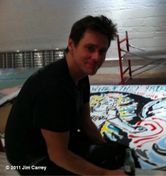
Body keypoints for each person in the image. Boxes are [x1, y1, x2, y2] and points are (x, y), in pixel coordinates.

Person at [5, 15, 128, 175]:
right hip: (30, 160)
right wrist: (106, 175)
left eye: (102, 51)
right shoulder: (53, 88)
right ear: (71, 45)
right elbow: (59, 156)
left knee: (114, 155)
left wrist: (104, 146)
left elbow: (86, 122)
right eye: (90, 48)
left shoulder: (81, 76)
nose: (97, 57)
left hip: (56, 142)